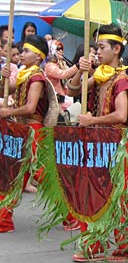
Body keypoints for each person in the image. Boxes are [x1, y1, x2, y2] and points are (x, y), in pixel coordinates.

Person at [66, 25, 128, 262]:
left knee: (117, 197)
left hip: (115, 146)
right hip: (97, 146)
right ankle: (93, 244)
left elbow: (121, 115)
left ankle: (124, 244)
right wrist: (79, 70)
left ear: (116, 49)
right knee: (91, 194)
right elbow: (73, 90)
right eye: (96, 47)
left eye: (102, 47)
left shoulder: (121, 80)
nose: (97, 52)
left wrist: (91, 120)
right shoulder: (99, 75)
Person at [0, 36, 50, 232]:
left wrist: (9, 112)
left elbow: (30, 108)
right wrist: (3, 77)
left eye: (26, 51)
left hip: (33, 131)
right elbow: (5, 89)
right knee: (14, 174)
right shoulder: (23, 75)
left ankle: (72, 215)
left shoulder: (37, 77)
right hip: (21, 131)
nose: (21, 54)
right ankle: (4, 219)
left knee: (43, 174)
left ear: (38, 56)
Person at [44, 41, 79, 110]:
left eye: (61, 49)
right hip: (55, 99)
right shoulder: (49, 66)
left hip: (63, 96)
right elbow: (63, 74)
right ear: (51, 50)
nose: (60, 51)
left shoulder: (61, 63)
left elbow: (69, 74)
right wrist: (77, 66)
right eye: (57, 49)